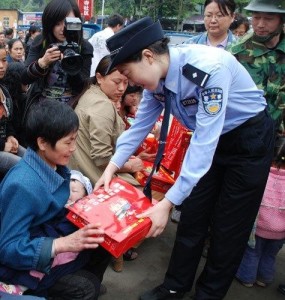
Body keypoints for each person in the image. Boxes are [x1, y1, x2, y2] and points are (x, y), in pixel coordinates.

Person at [94, 16, 275, 300]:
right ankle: (174, 286)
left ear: (148, 56)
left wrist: (166, 203)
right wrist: (112, 167)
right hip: (210, 140)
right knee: (193, 216)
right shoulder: (157, 82)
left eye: (129, 74)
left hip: (247, 141)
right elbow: (139, 128)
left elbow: (204, 145)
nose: (130, 83)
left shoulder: (207, 69)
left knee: (229, 227)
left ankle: (208, 294)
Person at [0, 99, 110, 299]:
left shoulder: (54, 165)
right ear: (42, 143)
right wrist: (62, 244)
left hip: (48, 234)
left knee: (103, 243)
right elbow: (8, 248)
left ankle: (87, 279)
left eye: (75, 139)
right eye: (68, 142)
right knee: (86, 288)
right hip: (24, 261)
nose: (74, 148)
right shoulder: (23, 185)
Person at [69, 55, 145, 272]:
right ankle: (118, 252)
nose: (122, 87)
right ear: (100, 78)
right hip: (93, 176)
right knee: (146, 197)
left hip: (82, 171)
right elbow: (102, 157)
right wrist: (129, 166)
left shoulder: (92, 95)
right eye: (116, 82)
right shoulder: (102, 106)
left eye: (125, 82)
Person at [172, 0, 237, 224]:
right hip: (194, 123)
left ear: (232, 17)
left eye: (219, 15)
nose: (213, 20)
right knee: (193, 169)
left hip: (230, 127)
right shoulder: (189, 45)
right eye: (208, 15)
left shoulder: (239, 50)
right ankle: (183, 205)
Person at [21, 0, 93, 109]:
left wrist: (71, 65)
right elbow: (24, 78)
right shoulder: (41, 41)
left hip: (72, 108)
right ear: (49, 23)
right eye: (57, 23)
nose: (63, 29)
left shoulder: (84, 46)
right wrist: (42, 63)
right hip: (42, 108)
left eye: (68, 23)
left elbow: (82, 86)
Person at [235, 135, 285, 288]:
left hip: (259, 226)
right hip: (281, 230)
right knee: (270, 255)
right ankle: (264, 278)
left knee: (252, 252)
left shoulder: (262, 174)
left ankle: (247, 278)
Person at [228, 0, 285, 133]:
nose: (260, 24)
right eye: (256, 17)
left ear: (281, 20)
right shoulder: (235, 54)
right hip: (246, 138)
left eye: (268, 19)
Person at [0, 46, 25, 178]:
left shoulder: (3, 89)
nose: (1, 66)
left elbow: (6, 121)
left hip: (5, 143)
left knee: (36, 160)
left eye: (4, 60)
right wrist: (3, 145)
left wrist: (10, 135)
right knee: (26, 167)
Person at [3, 62, 29, 146]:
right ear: (17, 78)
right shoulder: (5, 99)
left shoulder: (23, 98)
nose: (28, 81)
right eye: (25, 78)